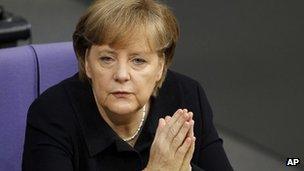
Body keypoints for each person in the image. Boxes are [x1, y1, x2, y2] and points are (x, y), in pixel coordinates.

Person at [22, 0, 233, 170]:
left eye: (138, 60)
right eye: (107, 59)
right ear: (87, 63)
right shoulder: (51, 114)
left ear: (161, 66)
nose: (122, 75)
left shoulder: (187, 97)